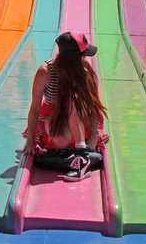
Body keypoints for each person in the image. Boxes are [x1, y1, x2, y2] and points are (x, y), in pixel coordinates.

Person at [23, 31, 109, 181]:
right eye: (83, 54)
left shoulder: (85, 71)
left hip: (81, 119)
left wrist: (94, 135)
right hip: (56, 118)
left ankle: (82, 157)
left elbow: (93, 106)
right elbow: (35, 107)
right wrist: (30, 140)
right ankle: (67, 154)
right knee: (61, 141)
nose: (85, 58)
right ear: (73, 59)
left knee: (71, 97)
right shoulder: (46, 72)